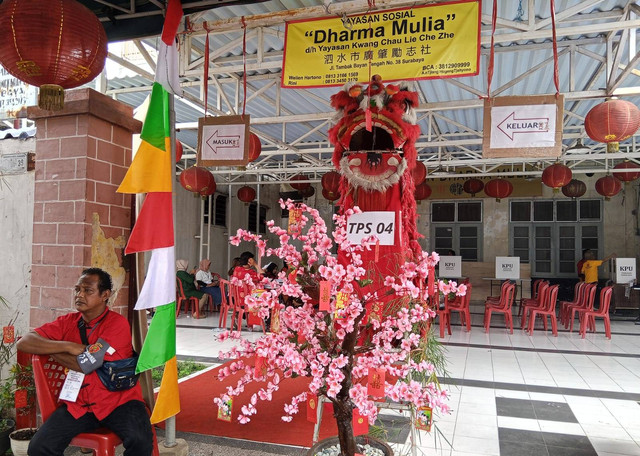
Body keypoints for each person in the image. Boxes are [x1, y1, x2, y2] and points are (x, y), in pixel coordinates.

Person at [16, 268, 154, 456]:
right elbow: (25, 342)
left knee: (141, 442)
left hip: (120, 402)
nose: (79, 295)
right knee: (39, 447)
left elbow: (84, 364)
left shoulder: (117, 324)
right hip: (80, 404)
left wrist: (53, 351)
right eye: (77, 290)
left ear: (105, 295)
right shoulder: (67, 322)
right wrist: (68, 346)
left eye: (87, 290)